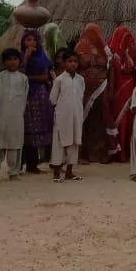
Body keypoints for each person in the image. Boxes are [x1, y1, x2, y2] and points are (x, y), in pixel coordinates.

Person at [0, 48, 29, 181]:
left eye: (15, 59)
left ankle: (13, 172)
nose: (12, 62)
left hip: (16, 117)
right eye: (9, 59)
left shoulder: (23, 79)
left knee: (15, 144)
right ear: (4, 62)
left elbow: (24, 98)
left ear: (19, 61)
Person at [75, 23, 111, 164]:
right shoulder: (80, 47)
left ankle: (99, 153)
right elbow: (81, 64)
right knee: (86, 122)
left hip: (101, 90)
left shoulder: (104, 50)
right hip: (85, 91)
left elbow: (108, 68)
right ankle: (83, 154)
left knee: (99, 122)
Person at [20, 28, 54, 174]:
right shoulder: (19, 57)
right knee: (26, 129)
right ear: (23, 41)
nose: (31, 43)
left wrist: (28, 78)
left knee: (39, 129)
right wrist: (25, 59)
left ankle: (35, 163)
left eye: (34, 40)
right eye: (28, 40)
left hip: (39, 96)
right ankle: (26, 163)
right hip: (23, 95)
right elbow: (18, 73)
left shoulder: (42, 57)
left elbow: (44, 77)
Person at [49, 49, 85, 182]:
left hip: (76, 116)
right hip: (62, 117)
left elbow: (81, 96)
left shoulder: (81, 80)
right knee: (59, 143)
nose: (73, 64)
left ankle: (69, 172)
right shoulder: (59, 80)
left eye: (75, 61)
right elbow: (53, 99)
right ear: (64, 63)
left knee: (74, 143)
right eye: (70, 61)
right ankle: (57, 173)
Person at [106, 25, 136, 163]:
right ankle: (117, 152)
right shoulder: (112, 55)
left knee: (129, 121)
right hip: (118, 91)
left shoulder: (131, 53)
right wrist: (112, 91)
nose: (127, 39)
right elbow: (111, 72)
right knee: (119, 121)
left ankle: (127, 151)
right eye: (124, 37)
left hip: (129, 90)